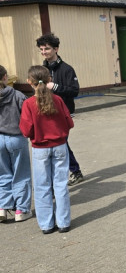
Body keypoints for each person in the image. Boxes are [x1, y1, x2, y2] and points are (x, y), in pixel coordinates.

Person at [19, 65, 74, 234]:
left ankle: (46, 225)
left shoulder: (28, 104)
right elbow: (69, 123)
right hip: (59, 145)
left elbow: (26, 130)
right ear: (50, 80)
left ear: (30, 82)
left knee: (42, 186)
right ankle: (63, 222)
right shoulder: (57, 100)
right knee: (60, 185)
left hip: (40, 148)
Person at [36, 33, 83, 185]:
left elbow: (74, 91)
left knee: (61, 143)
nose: (44, 52)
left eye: (47, 49)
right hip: (46, 113)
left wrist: (55, 87)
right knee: (58, 144)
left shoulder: (67, 69)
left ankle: (71, 173)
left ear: (56, 49)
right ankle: (74, 171)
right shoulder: (41, 69)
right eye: (41, 49)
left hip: (63, 113)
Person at [0, 65, 33, 222]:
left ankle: (2, 207)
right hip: (17, 137)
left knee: (3, 174)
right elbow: (27, 118)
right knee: (21, 174)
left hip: (0, 139)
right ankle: (21, 209)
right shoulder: (18, 95)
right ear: (5, 77)